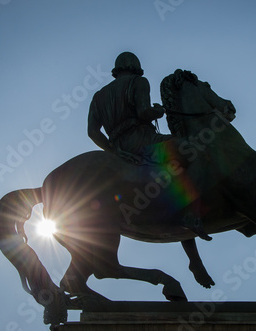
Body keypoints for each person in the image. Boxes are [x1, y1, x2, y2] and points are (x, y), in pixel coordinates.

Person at [87, 52, 211, 240]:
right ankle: (188, 212)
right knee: (188, 148)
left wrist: (114, 152)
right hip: (141, 139)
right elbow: (144, 112)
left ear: (116, 70)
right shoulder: (138, 82)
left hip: (119, 146)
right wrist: (158, 111)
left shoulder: (98, 97)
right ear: (136, 67)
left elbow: (93, 132)